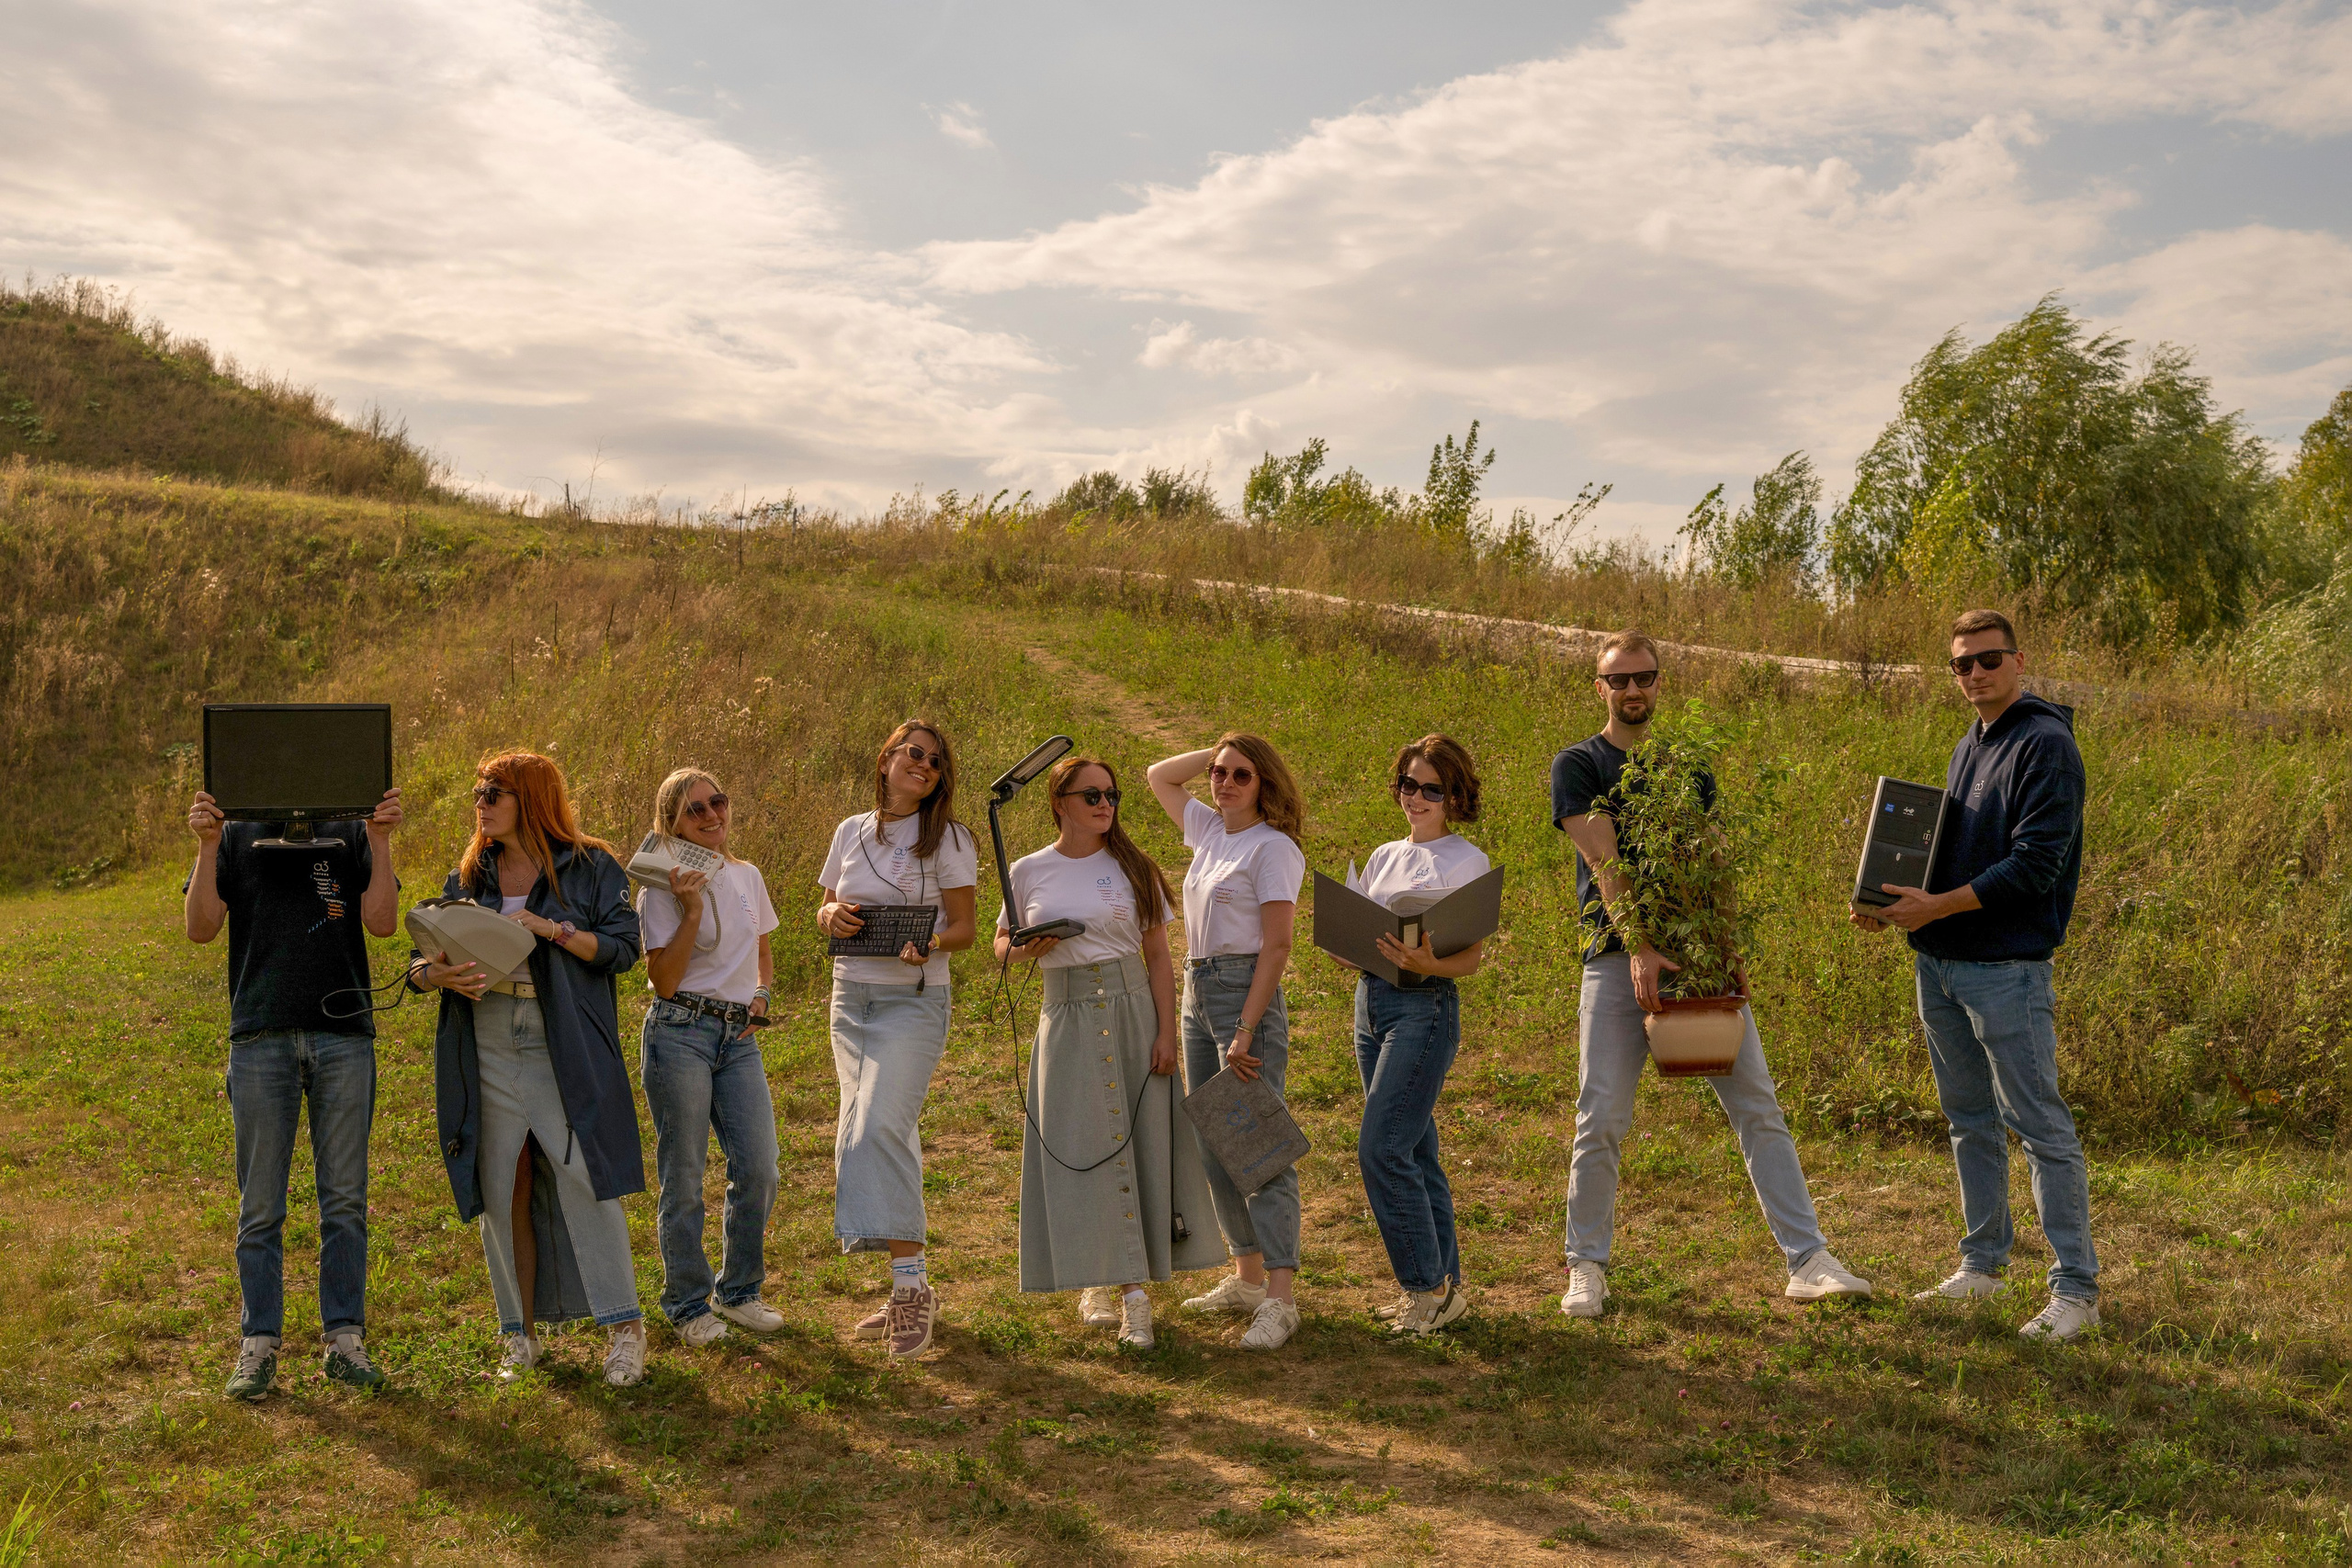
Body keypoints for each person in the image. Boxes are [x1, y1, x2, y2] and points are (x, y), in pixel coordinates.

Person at [1552, 629, 1871, 1318]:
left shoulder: (1687, 767)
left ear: (1659, 683)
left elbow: (1713, 863)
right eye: (1620, 680)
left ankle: (1808, 1258)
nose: (1633, 691)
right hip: (1617, 960)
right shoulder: (1579, 764)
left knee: (1757, 1104)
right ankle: (1587, 1265)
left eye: (1645, 678)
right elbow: (1604, 862)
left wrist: (1727, 953)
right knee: (1601, 1113)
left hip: (1697, 959)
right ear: (1598, 687)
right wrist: (1638, 947)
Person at [1850, 608, 2099, 1341]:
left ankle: (2077, 1291)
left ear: (2020, 661)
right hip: (1942, 963)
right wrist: (1893, 904)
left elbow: (2035, 865)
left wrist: (1938, 907)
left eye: (1989, 659)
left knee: (2040, 1126)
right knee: (1969, 1120)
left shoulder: (2046, 745)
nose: (1976, 673)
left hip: (2007, 971)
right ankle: (1984, 1268)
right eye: (1962, 663)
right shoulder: (1974, 742)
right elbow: (1949, 848)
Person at [408, 750, 650, 1386]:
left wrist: (552, 929)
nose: (481, 801)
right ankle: (518, 1335)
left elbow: (623, 948)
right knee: (498, 1185)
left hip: (556, 1034)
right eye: (478, 789)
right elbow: (418, 958)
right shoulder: (469, 873)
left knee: (582, 1172)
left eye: (495, 790)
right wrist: (435, 974)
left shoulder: (589, 864)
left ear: (532, 798)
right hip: (483, 1036)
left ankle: (625, 1327)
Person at [185, 784, 403, 1399]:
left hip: (344, 1036)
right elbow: (200, 927)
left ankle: (345, 1339)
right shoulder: (235, 827)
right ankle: (258, 1345)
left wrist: (381, 841)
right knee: (260, 1205)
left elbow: (383, 922)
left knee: (345, 1200)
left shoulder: (351, 825)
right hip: (260, 1033)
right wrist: (206, 845)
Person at [997, 755, 1223, 1349]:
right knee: (1082, 1146)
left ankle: (1131, 1295)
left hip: (1131, 1012)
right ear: (1059, 800)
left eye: (1112, 794)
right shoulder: (1028, 870)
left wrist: (1166, 1033)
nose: (1105, 804)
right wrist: (1028, 947)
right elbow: (1002, 944)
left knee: (1137, 1144)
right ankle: (1105, 1282)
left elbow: (1157, 956)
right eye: (1091, 794)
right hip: (1065, 1016)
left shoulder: (1132, 866)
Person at [816, 722, 979, 1358]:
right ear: (885, 758)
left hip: (912, 1001)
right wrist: (828, 914)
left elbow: (964, 925)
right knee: (866, 1129)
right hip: (849, 1000)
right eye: (915, 753)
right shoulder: (849, 829)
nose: (925, 765)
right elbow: (827, 905)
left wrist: (932, 942)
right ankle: (906, 1284)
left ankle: (912, 1290)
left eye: (935, 762)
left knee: (881, 1123)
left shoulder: (949, 838)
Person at [1146, 734, 1308, 1351]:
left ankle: (1281, 1296)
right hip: (1197, 985)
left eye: (1241, 773)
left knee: (1258, 1145)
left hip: (1243, 994)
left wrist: (1246, 1024)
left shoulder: (1273, 848)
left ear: (1264, 781)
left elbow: (1278, 944)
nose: (1224, 782)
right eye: (1218, 772)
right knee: (1215, 1140)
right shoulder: (1211, 831)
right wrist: (1217, 742)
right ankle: (1245, 1276)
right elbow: (1159, 775)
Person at [1343, 735, 1487, 1338]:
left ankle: (1423, 1287)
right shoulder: (1382, 855)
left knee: (1381, 1147)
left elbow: (1470, 958)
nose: (1417, 797)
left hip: (1423, 1007)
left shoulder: (1466, 860)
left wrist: (1427, 963)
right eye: (1408, 784)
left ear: (1454, 794)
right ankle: (1444, 1287)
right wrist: (1346, 940)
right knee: (1415, 1149)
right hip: (1370, 1004)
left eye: (1432, 787)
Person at [638, 768, 783, 1349]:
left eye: (717, 802)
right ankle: (687, 1301)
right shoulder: (660, 886)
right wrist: (690, 909)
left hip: (737, 1037)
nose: (711, 815)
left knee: (760, 1166)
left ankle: (740, 1290)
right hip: (681, 1032)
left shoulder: (747, 875)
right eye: (694, 810)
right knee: (686, 1176)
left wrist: (763, 995)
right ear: (671, 823)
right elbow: (665, 983)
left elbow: (762, 948)